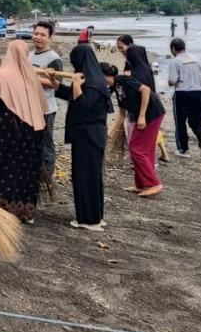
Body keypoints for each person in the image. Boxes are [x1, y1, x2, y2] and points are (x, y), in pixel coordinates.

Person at [45, 41, 111, 231]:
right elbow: (72, 95)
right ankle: (95, 216)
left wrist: (75, 84)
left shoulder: (94, 84)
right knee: (91, 176)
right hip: (89, 135)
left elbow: (82, 106)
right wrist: (55, 82)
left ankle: (88, 220)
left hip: (88, 136)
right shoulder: (92, 79)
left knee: (85, 177)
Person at [0, 40, 46, 223]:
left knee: (2, 167)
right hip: (33, 132)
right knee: (26, 170)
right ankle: (25, 212)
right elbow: (42, 106)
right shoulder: (32, 76)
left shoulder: (2, 75)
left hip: (8, 130)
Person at [102, 62, 165, 197]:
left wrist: (142, 116)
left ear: (104, 75)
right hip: (143, 116)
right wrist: (109, 133)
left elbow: (146, 90)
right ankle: (142, 184)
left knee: (137, 149)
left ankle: (154, 184)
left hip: (152, 114)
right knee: (144, 150)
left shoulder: (123, 80)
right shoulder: (116, 88)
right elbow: (122, 114)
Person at [29, 20, 63, 199]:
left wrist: (30, 77)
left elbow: (56, 84)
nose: (38, 37)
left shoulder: (53, 59)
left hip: (46, 109)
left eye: (42, 35)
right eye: (36, 33)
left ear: (50, 37)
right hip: (28, 107)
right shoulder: (29, 55)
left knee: (45, 145)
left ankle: (46, 179)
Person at [168, 38, 201, 158]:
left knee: (180, 122)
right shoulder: (196, 59)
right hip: (197, 93)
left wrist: (172, 82)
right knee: (196, 121)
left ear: (173, 49)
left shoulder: (175, 61)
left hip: (182, 94)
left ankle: (183, 149)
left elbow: (172, 81)